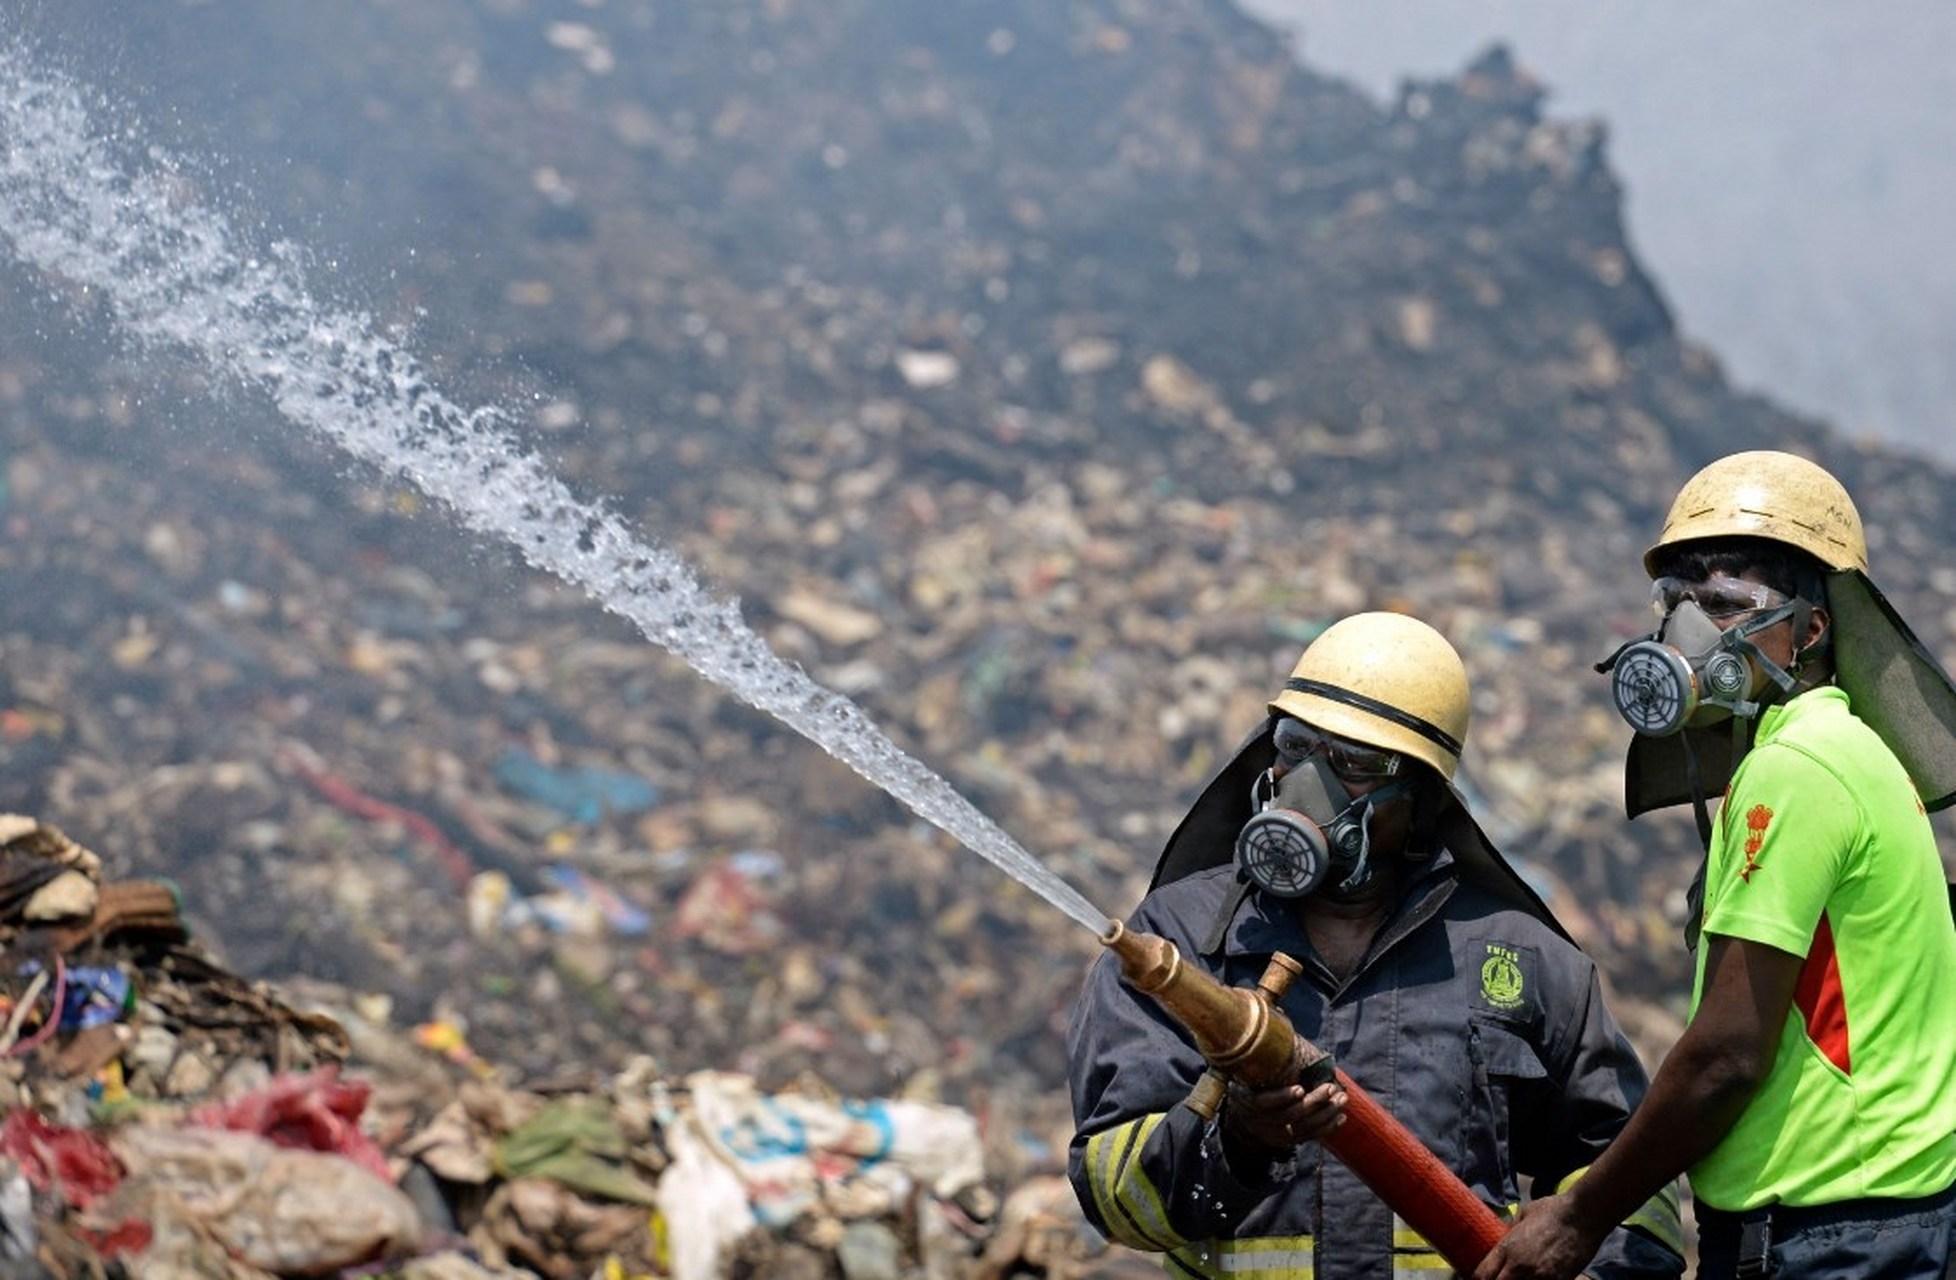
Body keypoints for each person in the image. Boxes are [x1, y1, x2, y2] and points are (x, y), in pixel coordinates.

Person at [1067, 611, 1685, 1279]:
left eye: (1355, 764)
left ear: (1421, 797)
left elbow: (1626, 1174)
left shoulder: (1519, 960)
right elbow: (1113, 1197)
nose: (1309, 784)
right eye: (1296, 747)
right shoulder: (1180, 941)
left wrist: (1589, 1263)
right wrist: (1235, 1143)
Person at [1482, 450, 1956, 1280]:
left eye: (1728, 604)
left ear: (1812, 631)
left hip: (1831, 1237)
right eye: (1677, 602)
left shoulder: (1795, 768)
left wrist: (1581, 1216)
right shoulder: (1852, 750)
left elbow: (1726, 1056)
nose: (1690, 630)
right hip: (1888, 1221)